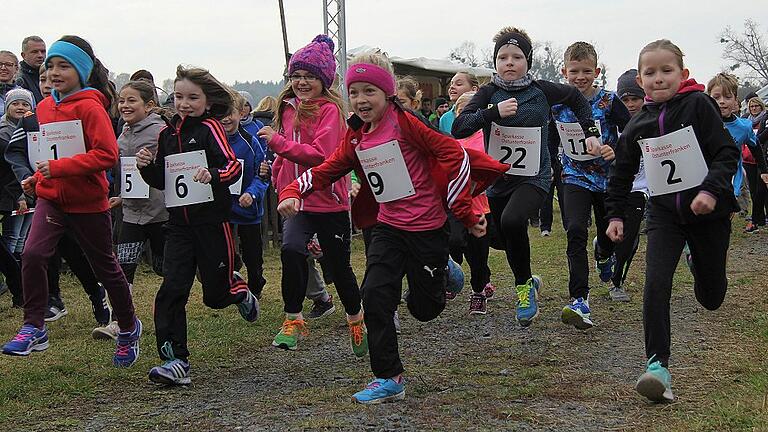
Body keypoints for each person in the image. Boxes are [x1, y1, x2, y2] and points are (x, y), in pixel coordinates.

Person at [277, 51, 506, 404]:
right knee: (375, 295)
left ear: (386, 94)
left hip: (427, 229)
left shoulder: (408, 124)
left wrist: (462, 209)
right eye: (354, 92)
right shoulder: (357, 136)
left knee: (424, 310)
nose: (360, 100)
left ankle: (447, 273)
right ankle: (389, 376)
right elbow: (329, 168)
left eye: (369, 91)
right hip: (388, 227)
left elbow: (456, 155)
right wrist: (294, 189)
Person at [606, 39, 752, 402]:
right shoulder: (637, 124)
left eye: (666, 71)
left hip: (709, 215)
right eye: (650, 73)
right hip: (664, 216)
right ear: (640, 81)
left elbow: (726, 152)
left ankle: (700, 265)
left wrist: (711, 191)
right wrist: (614, 214)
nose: (659, 79)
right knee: (656, 282)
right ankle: (658, 366)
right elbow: (621, 174)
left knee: (712, 297)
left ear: (683, 74)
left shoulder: (699, 105)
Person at [1, 36, 141, 367]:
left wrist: (59, 168)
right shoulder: (45, 107)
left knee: (105, 268)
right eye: (50, 65)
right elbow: (47, 152)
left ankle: (127, 326)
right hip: (51, 198)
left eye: (64, 65)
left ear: (81, 70)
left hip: (87, 201)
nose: (55, 71)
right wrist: (36, 179)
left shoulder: (91, 107)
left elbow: (107, 155)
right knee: (32, 254)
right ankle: (34, 326)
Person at [453, 27, 599, 328]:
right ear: (495, 62)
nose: (510, 62)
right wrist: (492, 113)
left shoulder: (541, 90)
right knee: (496, 237)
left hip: (534, 177)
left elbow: (575, 98)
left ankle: (523, 289)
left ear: (527, 61)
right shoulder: (489, 93)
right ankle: (530, 281)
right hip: (499, 180)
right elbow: (460, 127)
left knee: (512, 221)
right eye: (503, 57)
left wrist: (591, 132)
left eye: (517, 57)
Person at [137, 65, 259, 385]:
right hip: (178, 226)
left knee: (214, 297)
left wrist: (214, 175)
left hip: (211, 223)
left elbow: (232, 166)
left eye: (193, 97)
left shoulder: (209, 129)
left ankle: (239, 291)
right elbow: (164, 181)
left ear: (207, 101)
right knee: (171, 290)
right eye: (178, 96)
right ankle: (175, 361)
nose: (184, 103)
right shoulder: (166, 135)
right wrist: (147, 168)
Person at [256, 35, 364, 354]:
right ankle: (293, 319)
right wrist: (278, 176)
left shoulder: (330, 110)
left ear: (324, 80)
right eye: (296, 76)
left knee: (338, 266)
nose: (302, 82)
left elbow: (322, 156)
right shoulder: (287, 109)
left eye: (310, 76)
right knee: (290, 251)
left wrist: (278, 143)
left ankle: (357, 321)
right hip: (296, 201)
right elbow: (286, 154)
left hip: (328, 200)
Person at [553, 41, 631, 328]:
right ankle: (579, 299)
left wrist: (615, 148)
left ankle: (604, 253)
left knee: (608, 236)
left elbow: (632, 131)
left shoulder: (609, 101)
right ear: (564, 72)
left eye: (587, 71)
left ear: (597, 71)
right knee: (574, 230)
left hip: (607, 179)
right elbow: (550, 134)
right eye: (574, 71)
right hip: (574, 176)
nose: (580, 77)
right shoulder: (558, 103)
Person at [93, 80, 169, 339]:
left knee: (165, 267)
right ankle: (120, 323)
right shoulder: (123, 133)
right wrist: (121, 197)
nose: (124, 105)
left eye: (131, 100)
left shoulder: (160, 131)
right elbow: (127, 173)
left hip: (160, 211)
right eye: (121, 101)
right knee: (123, 267)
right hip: (132, 214)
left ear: (148, 105)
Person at [452, 91, 496, 314]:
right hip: (458, 207)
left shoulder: (487, 137)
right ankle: (452, 278)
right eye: (460, 111)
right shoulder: (452, 140)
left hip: (482, 206)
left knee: (478, 255)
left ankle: (478, 290)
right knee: (456, 245)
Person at [608, 69, 649, 302]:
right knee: (610, 236)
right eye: (625, 100)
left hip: (640, 188)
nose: (631, 104)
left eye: (635, 99)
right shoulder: (612, 126)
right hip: (613, 187)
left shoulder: (652, 121)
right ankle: (602, 248)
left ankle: (617, 282)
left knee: (630, 237)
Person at [223, 91, 268, 298]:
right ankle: (232, 267)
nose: (225, 118)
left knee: (253, 255)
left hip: (247, 207)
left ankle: (256, 283)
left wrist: (252, 193)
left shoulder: (251, 142)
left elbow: (263, 175)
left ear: (241, 114)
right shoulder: (212, 142)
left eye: (230, 112)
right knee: (221, 250)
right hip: (222, 208)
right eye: (220, 113)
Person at [0, 88, 34, 306]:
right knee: (10, 241)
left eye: (25, 104)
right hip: (12, 193)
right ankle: (18, 287)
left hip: (27, 192)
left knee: (20, 240)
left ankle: (21, 288)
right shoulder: (4, 134)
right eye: (16, 104)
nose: (21, 108)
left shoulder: (29, 130)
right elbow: (9, 168)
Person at [746, 96, 768, 229]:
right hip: (748, 159)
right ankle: (757, 219)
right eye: (751, 106)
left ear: (761, 106)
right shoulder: (746, 121)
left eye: (756, 106)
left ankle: (756, 219)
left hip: (762, 158)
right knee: (754, 191)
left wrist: (752, 140)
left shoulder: (765, 117)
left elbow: (764, 134)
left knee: (761, 190)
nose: (753, 109)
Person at [16, 36, 46, 103]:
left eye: (43, 51)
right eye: (35, 52)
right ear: (23, 55)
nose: (40, 55)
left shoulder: (51, 74)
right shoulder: (19, 79)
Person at [0, 50, 20, 117]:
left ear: (16, 68)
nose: (3, 68)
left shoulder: (26, 94)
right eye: (0, 64)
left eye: (8, 65)